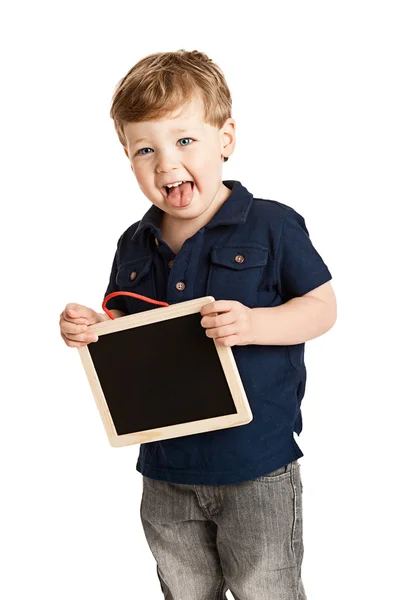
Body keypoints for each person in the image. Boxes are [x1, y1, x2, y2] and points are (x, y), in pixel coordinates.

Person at [59, 50, 337, 600]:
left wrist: (255, 323)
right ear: (128, 159)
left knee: (267, 588)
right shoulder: (134, 244)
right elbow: (128, 330)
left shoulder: (271, 223)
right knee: (183, 589)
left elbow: (322, 308)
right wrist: (94, 327)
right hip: (164, 467)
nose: (166, 163)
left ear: (225, 139)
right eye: (146, 149)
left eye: (184, 141)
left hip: (256, 464)